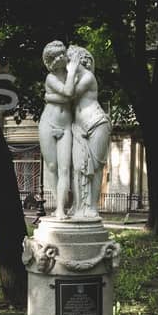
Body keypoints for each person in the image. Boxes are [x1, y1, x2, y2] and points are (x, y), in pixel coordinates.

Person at [65, 45, 110, 218]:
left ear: (79, 60)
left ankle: (91, 208)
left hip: (97, 123)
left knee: (96, 168)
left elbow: (69, 94)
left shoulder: (88, 77)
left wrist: (71, 71)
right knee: (78, 167)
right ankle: (78, 206)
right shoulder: (73, 79)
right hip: (79, 127)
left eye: (69, 59)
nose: (66, 63)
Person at [38, 41, 73, 219]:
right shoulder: (50, 78)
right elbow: (68, 94)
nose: (60, 57)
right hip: (48, 123)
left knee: (65, 168)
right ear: (50, 60)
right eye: (56, 56)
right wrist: (56, 97)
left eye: (62, 53)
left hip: (66, 126)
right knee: (52, 167)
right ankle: (58, 203)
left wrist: (50, 97)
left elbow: (70, 95)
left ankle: (61, 208)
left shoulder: (73, 74)